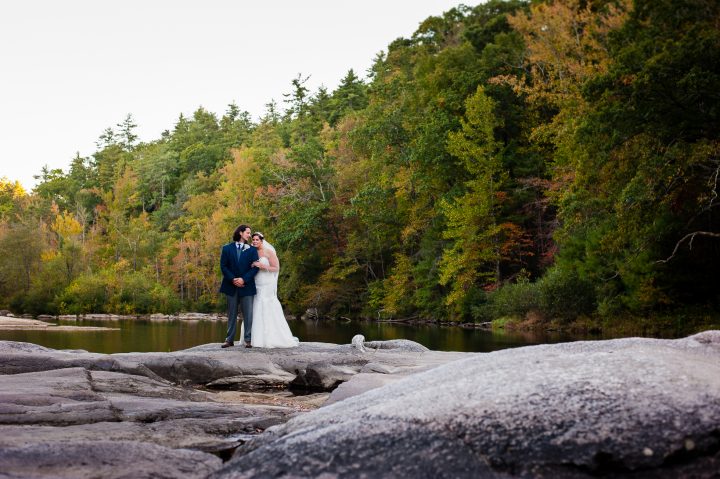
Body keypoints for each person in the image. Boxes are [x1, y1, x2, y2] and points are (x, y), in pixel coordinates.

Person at [247, 232, 299, 348]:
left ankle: (271, 338)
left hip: (267, 283)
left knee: (267, 305)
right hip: (256, 283)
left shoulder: (269, 252)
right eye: (253, 240)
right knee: (256, 306)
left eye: (257, 240)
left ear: (261, 241)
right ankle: (255, 339)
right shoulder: (252, 252)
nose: (255, 241)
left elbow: (276, 268)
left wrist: (262, 266)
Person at [219, 224, 259, 348]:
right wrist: (233, 279)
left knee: (248, 314)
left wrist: (243, 279)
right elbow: (223, 266)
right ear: (241, 233)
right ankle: (229, 340)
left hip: (247, 286)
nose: (249, 235)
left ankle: (248, 340)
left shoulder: (252, 250)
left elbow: (255, 268)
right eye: (248, 233)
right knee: (231, 314)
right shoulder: (226, 248)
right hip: (231, 286)